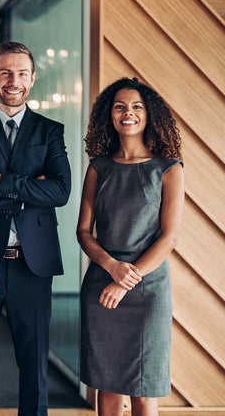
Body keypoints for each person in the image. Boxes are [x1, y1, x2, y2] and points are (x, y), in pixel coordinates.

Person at [0, 41, 72, 416]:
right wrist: (28, 186)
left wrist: (0, 181)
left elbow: (60, 190)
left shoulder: (50, 130)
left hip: (32, 262)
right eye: (6, 72)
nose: (14, 80)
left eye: (22, 73)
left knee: (34, 365)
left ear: (33, 78)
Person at [77, 77, 184, 416]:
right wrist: (112, 268)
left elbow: (169, 238)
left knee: (143, 389)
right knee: (106, 386)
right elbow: (83, 231)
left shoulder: (168, 168)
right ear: (109, 115)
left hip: (147, 288)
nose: (128, 113)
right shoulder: (99, 167)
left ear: (149, 114)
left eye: (137, 106)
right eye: (120, 106)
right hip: (101, 283)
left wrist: (126, 279)